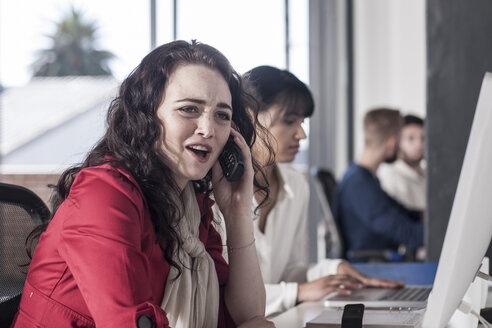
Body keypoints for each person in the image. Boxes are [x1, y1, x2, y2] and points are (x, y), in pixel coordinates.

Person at [12, 40, 275, 328]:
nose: (208, 129)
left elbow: (247, 315)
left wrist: (237, 214)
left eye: (222, 115)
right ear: (147, 115)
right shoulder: (104, 194)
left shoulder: (190, 207)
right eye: (189, 109)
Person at [214, 66, 403, 317]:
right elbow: (220, 293)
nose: (301, 134)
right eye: (290, 121)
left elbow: (288, 272)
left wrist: (333, 270)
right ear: (249, 116)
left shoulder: (296, 186)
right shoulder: (215, 192)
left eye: (302, 122)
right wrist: (298, 292)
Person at [332, 108, 424, 259]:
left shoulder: (365, 177)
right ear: (391, 142)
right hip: (371, 267)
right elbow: (409, 235)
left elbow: (401, 212)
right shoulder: (359, 184)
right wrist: (449, 226)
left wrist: (430, 216)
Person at [378, 114, 426, 212]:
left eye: (423, 138)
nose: (419, 145)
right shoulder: (390, 176)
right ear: (398, 142)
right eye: (411, 138)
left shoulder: (428, 175)